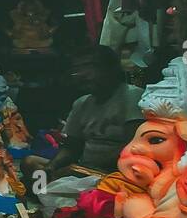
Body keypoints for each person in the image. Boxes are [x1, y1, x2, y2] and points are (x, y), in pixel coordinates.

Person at [24, 46, 143, 180]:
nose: (82, 74)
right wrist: (51, 167)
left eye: (88, 67)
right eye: (77, 69)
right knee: (31, 163)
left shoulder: (133, 96)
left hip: (117, 172)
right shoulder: (81, 103)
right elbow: (72, 147)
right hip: (85, 169)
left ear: (110, 68)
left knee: (65, 175)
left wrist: (80, 169)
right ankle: (49, 189)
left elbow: (133, 148)